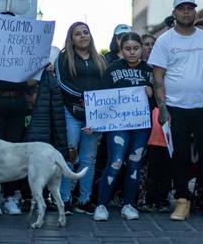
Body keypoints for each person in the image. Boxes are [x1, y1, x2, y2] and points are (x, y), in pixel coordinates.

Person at [149, 0, 203, 222]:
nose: (187, 12)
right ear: (174, 13)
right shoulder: (164, 41)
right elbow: (157, 77)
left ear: (195, 12)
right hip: (175, 108)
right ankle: (182, 201)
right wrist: (163, 108)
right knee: (179, 156)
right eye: (182, 8)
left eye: (190, 8)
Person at [93, 32, 153, 222]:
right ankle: (101, 204)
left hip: (141, 126)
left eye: (136, 48)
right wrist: (94, 122)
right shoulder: (112, 69)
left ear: (142, 48)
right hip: (118, 125)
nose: (132, 53)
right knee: (116, 161)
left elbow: (158, 100)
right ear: (121, 49)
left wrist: (152, 92)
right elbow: (102, 98)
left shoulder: (149, 71)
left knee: (135, 162)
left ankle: (128, 204)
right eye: (128, 49)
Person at [0, 12, 35, 215]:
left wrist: (39, 67)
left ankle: (11, 196)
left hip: (17, 103)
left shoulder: (25, 50)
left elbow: (30, 81)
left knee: (14, 151)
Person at [55, 21, 106, 214]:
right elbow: (61, 83)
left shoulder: (100, 59)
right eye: (78, 33)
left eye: (86, 32)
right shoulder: (63, 58)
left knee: (89, 159)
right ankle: (64, 198)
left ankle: (84, 200)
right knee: (70, 156)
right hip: (72, 113)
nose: (83, 36)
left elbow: (106, 84)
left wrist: (96, 102)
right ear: (71, 38)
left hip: (94, 116)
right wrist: (83, 96)